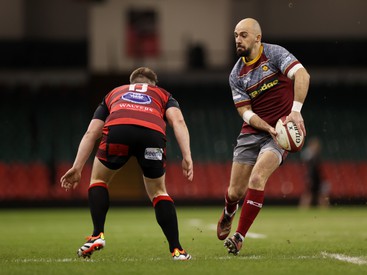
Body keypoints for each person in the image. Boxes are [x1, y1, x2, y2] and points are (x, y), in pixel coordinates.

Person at [60, 67, 193, 260]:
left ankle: (97, 234)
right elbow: (178, 121)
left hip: (118, 131)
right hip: (152, 135)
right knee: (158, 192)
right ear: (153, 85)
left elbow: (92, 132)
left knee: (98, 180)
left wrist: (77, 167)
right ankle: (177, 250)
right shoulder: (163, 94)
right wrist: (187, 155)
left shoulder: (115, 92)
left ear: (132, 83)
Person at [217, 18, 310, 255]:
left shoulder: (275, 54)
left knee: (257, 178)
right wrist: (265, 126)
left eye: (244, 35)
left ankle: (239, 236)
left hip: (280, 133)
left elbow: (302, 75)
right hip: (253, 132)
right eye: (236, 35)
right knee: (234, 193)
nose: (238, 39)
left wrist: (295, 113)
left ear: (257, 38)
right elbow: (244, 112)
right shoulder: (236, 74)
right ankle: (229, 211)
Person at [299, 137, 330, 208]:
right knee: (309, 195)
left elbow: (318, 169)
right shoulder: (309, 155)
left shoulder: (315, 155)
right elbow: (309, 168)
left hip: (317, 177)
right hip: (312, 177)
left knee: (320, 195)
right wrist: (309, 178)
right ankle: (303, 209)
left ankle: (325, 210)